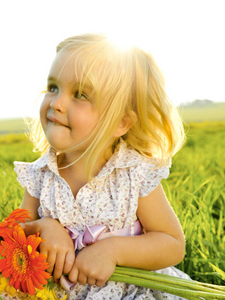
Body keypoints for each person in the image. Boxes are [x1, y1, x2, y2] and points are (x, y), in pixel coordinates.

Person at [13, 33, 190, 299]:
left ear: (120, 122)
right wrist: (44, 227)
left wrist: (112, 251)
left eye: (80, 94)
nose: (57, 103)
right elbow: (14, 234)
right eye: (53, 87)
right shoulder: (41, 175)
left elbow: (172, 243)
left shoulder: (131, 174)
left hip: (128, 291)